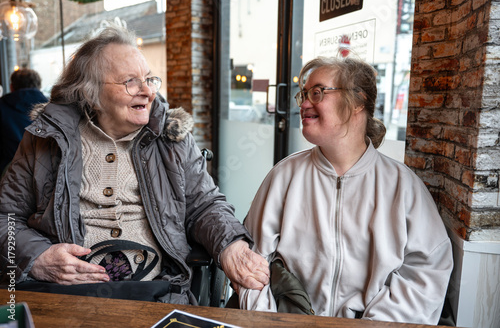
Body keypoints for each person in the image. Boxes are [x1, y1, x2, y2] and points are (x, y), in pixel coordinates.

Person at [0, 24, 269, 304]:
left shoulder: (170, 139)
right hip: (67, 293)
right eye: (130, 81)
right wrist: (38, 257)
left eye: (150, 79)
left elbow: (205, 205)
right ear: (90, 92)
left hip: (155, 292)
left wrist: (230, 245)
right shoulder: (46, 139)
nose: (147, 92)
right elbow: (5, 218)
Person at [238, 57, 453, 324]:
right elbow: (250, 261)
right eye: (303, 95)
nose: (304, 104)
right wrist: (269, 323)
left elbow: (426, 272)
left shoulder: (402, 186)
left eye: (317, 93)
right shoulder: (284, 176)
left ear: (358, 102)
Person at [0, 68, 48, 175]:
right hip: (46, 172)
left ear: (12, 87)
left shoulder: (2, 107)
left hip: (10, 173)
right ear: (39, 86)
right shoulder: (52, 107)